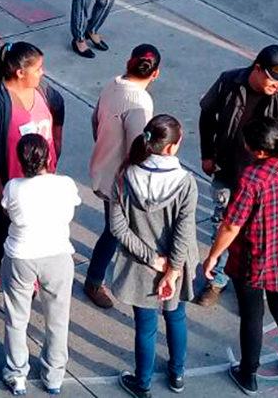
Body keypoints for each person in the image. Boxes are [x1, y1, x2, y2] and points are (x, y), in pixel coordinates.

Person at [196, 45, 278, 307]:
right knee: (223, 227)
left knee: (261, 237)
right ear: (257, 69)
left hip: (269, 185)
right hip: (230, 174)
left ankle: (254, 287)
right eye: (274, 81)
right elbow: (207, 113)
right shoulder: (229, 81)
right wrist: (207, 153)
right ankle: (216, 280)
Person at [202, 118, 278, 390]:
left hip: (256, 256)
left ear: (259, 151)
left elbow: (232, 224)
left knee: (253, 314)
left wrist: (213, 256)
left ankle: (248, 373)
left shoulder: (253, 178)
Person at [111, 115, 197, 397]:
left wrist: (152, 259)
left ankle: (143, 382)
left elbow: (118, 227)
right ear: (172, 147)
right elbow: (183, 232)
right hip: (178, 262)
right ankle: (177, 374)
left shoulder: (125, 175)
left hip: (141, 266)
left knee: (145, 326)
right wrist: (172, 270)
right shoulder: (185, 183)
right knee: (176, 316)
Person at [0, 42, 66, 298]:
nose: (42, 73)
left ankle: (29, 276)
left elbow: (58, 111)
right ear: (19, 73)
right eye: (37, 69)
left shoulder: (44, 92)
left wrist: (56, 145)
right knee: (1, 229)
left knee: (34, 232)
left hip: (40, 183)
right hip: (8, 184)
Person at [0, 134, 80, 396]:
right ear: (48, 157)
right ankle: (53, 376)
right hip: (57, 254)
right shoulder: (65, 185)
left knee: (16, 316)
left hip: (21, 254)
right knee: (57, 318)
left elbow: (7, 212)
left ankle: (17, 373)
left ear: (21, 160)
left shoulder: (13, 187)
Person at [86, 44, 162, 308]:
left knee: (113, 228)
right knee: (114, 231)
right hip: (120, 181)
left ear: (129, 62)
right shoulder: (140, 104)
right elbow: (137, 151)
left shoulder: (112, 85)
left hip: (103, 168)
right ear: (156, 74)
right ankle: (94, 280)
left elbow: (95, 120)